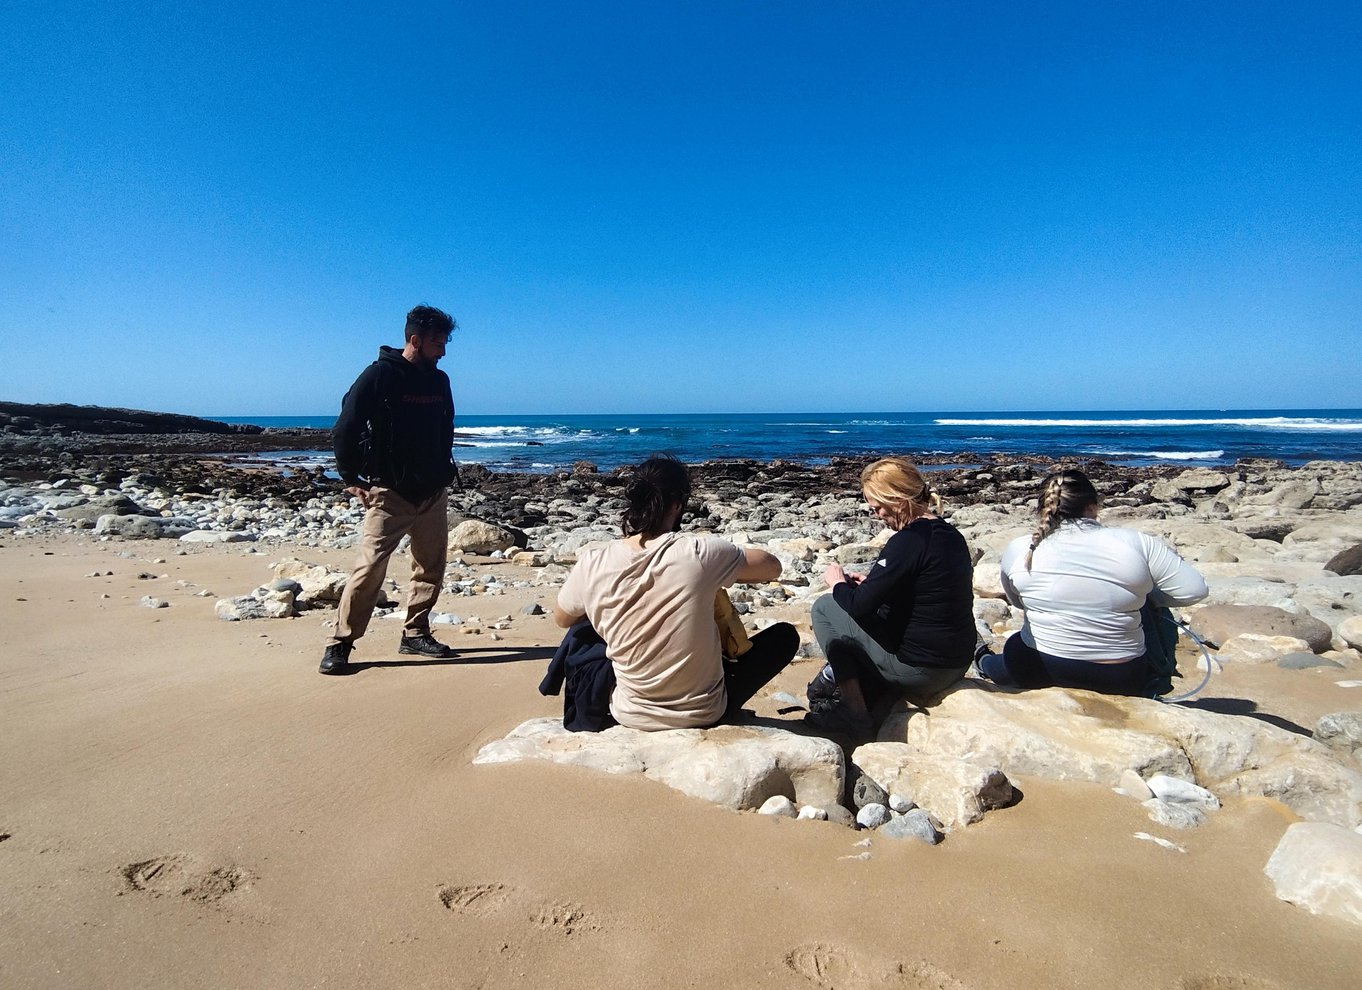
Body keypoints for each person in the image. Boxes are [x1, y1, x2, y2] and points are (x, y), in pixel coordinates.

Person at [552, 455, 800, 730]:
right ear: (678, 504)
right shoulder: (700, 551)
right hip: (704, 711)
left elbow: (563, 618)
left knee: (589, 624)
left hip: (630, 712)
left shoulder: (594, 561)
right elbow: (772, 567)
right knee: (784, 637)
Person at [319, 304, 461, 675]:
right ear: (415, 340)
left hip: (432, 491)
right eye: (437, 343)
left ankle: (415, 633)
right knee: (369, 568)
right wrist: (351, 479)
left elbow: (445, 428)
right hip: (389, 492)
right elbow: (345, 427)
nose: (443, 351)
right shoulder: (379, 375)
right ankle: (341, 642)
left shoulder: (439, 380)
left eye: (445, 343)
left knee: (430, 567)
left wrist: (443, 472)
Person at [976, 469, 1208, 696]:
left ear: (1043, 508)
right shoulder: (1135, 542)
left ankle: (983, 661)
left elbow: (1017, 602)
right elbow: (1194, 591)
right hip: (1120, 677)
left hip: (1038, 668)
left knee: (1015, 647)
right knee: (1144, 602)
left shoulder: (1021, 547)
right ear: (1093, 505)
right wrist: (1146, 597)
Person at [806, 457, 976, 736]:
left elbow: (859, 607)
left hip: (922, 671)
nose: (875, 513)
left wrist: (837, 583)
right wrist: (870, 583)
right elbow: (925, 590)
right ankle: (871, 687)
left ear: (897, 499)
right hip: (956, 661)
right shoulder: (948, 534)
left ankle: (854, 713)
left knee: (825, 607)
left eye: (878, 506)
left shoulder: (908, 541)